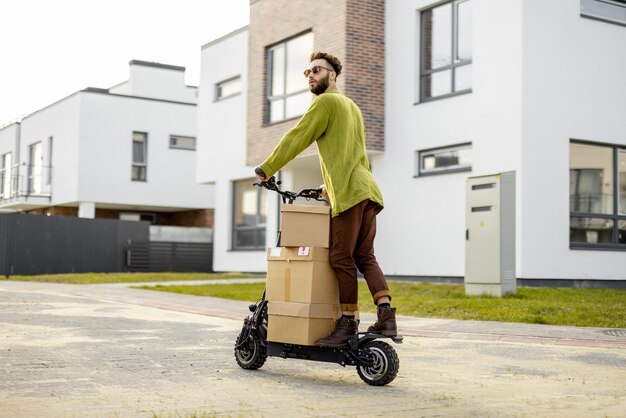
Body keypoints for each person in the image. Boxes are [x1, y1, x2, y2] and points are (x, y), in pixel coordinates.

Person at [255, 51, 396, 348]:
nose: (311, 76)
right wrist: (327, 186)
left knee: (340, 258)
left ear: (332, 75)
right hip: (367, 190)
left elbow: (298, 136)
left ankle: (347, 324)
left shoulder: (326, 102)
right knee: (365, 256)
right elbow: (350, 153)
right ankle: (386, 315)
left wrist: (267, 169)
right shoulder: (351, 106)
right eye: (307, 73)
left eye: (316, 70)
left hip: (350, 192)